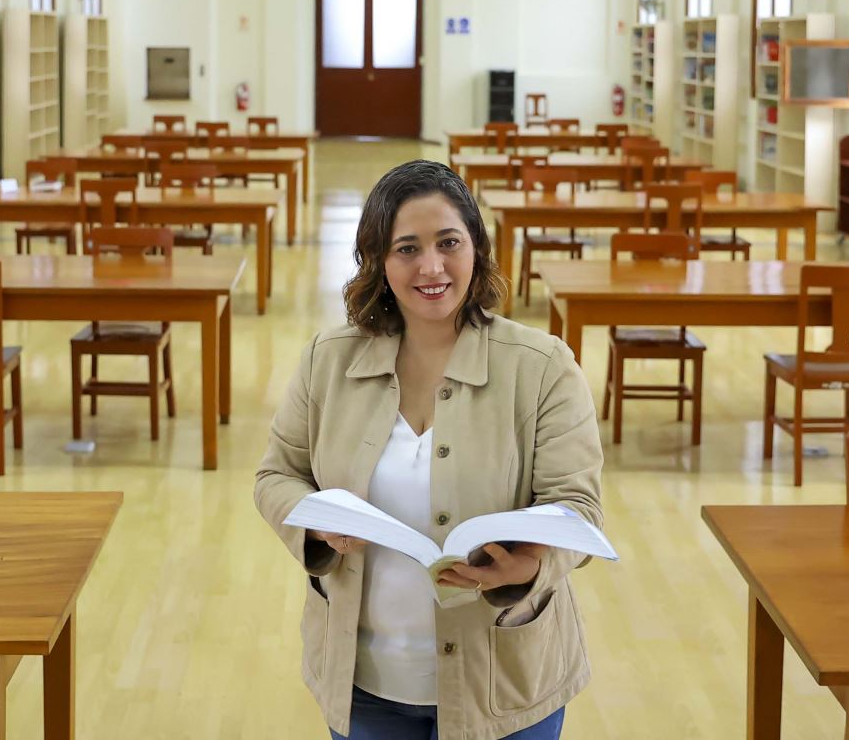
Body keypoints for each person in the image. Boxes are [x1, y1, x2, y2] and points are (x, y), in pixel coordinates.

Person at [256, 159, 604, 740]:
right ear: (378, 261)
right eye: (406, 249)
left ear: (478, 248)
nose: (432, 267)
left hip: (505, 683)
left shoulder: (542, 367)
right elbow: (277, 476)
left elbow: (579, 508)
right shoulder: (329, 358)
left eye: (449, 243)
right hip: (364, 683)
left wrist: (531, 563)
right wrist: (317, 529)